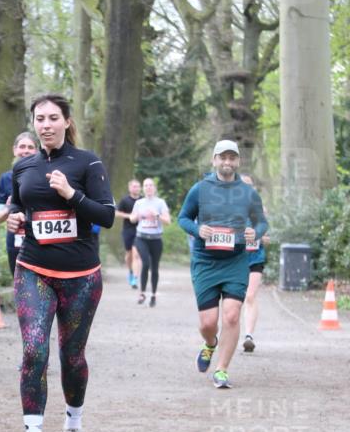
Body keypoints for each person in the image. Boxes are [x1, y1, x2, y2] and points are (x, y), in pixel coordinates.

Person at [6, 93, 115, 432]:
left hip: (81, 276)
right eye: (40, 119)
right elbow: (20, 207)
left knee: (72, 356)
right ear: (33, 124)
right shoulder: (24, 167)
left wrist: (72, 194)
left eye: (53, 118)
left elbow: (107, 215)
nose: (46, 125)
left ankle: (73, 424)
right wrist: (15, 218)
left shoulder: (88, 163)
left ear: (67, 122)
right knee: (34, 349)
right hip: (33, 269)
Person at [177, 140, 268, 388]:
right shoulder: (200, 189)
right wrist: (197, 229)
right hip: (205, 262)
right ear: (214, 160)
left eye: (232, 158)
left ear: (238, 161)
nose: (227, 162)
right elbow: (183, 218)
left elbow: (262, 222)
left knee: (231, 316)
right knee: (208, 323)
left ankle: (222, 370)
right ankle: (210, 343)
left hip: (235, 262)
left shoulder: (248, 192)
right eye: (222, 157)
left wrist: (255, 232)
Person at [0, 132, 37, 275]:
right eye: (22, 146)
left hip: (39, 236)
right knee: (19, 283)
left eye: (30, 147)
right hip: (15, 238)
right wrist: (9, 207)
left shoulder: (43, 175)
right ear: (14, 150)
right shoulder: (6, 178)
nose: (26, 150)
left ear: (37, 151)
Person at [129, 177, 170, 308]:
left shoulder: (160, 202)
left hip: (156, 239)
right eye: (146, 185)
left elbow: (168, 221)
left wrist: (157, 215)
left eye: (151, 185)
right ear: (143, 188)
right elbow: (132, 219)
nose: (148, 188)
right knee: (145, 263)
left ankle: (153, 294)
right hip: (141, 238)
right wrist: (136, 216)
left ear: (154, 188)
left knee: (155, 267)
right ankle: (142, 293)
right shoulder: (139, 203)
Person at [240, 174, 270, 353]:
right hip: (235, 259)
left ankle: (248, 336)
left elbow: (264, 230)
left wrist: (263, 237)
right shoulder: (229, 209)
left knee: (250, 296)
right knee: (234, 300)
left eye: (250, 186)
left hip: (255, 257)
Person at [115, 179, 142, 288]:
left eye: (138, 186)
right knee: (129, 255)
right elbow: (116, 213)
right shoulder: (125, 200)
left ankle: (135, 278)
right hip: (128, 230)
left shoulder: (142, 200)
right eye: (134, 186)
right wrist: (129, 216)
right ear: (130, 188)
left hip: (141, 230)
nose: (136, 188)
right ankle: (130, 271)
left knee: (136, 254)